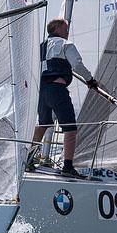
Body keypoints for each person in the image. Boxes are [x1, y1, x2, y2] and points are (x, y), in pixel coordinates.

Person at [31, 18, 100, 179]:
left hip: (42, 91)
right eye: (65, 28)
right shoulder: (65, 44)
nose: (67, 32)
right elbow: (76, 65)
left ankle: (28, 158)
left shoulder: (40, 47)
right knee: (70, 127)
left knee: (43, 123)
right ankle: (68, 166)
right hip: (57, 90)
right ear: (57, 28)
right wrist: (90, 80)